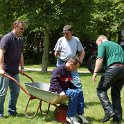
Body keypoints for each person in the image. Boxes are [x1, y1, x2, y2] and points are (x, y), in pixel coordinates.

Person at [93, 35, 124, 124]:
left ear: (100, 40)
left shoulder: (103, 44)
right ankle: (117, 119)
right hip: (123, 70)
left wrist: (95, 72)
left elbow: (100, 58)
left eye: (97, 43)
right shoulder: (117, 45)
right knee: (116, 94)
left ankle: (109, 111)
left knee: (100, 89)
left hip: (113, 68)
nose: (97, 46)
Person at [49, 56, 89, 124]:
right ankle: (70, 116)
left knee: (79, 91)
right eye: (76, 67)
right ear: (71, 65)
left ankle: (79, 114)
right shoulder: (58, 70)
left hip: (63, 90)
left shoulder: (68, 71)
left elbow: (68, 82)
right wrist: (60, 91)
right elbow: (53, 81)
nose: (76, 69)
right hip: (55, 91)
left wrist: (76, 89)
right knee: (73, 93)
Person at [0, 20, 25, 118]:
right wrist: (1, 68)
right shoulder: (7, 38)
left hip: (15, 71)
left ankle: (12, 111)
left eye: (23, 28)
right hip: (6, 71)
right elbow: (1, 52)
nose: (23, 30)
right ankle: (0, 112)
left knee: (15, 92)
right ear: (15, 27)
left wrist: (22, 67)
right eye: (21, 28)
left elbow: (21, 54)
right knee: (2, 93)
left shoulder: (20, 39)